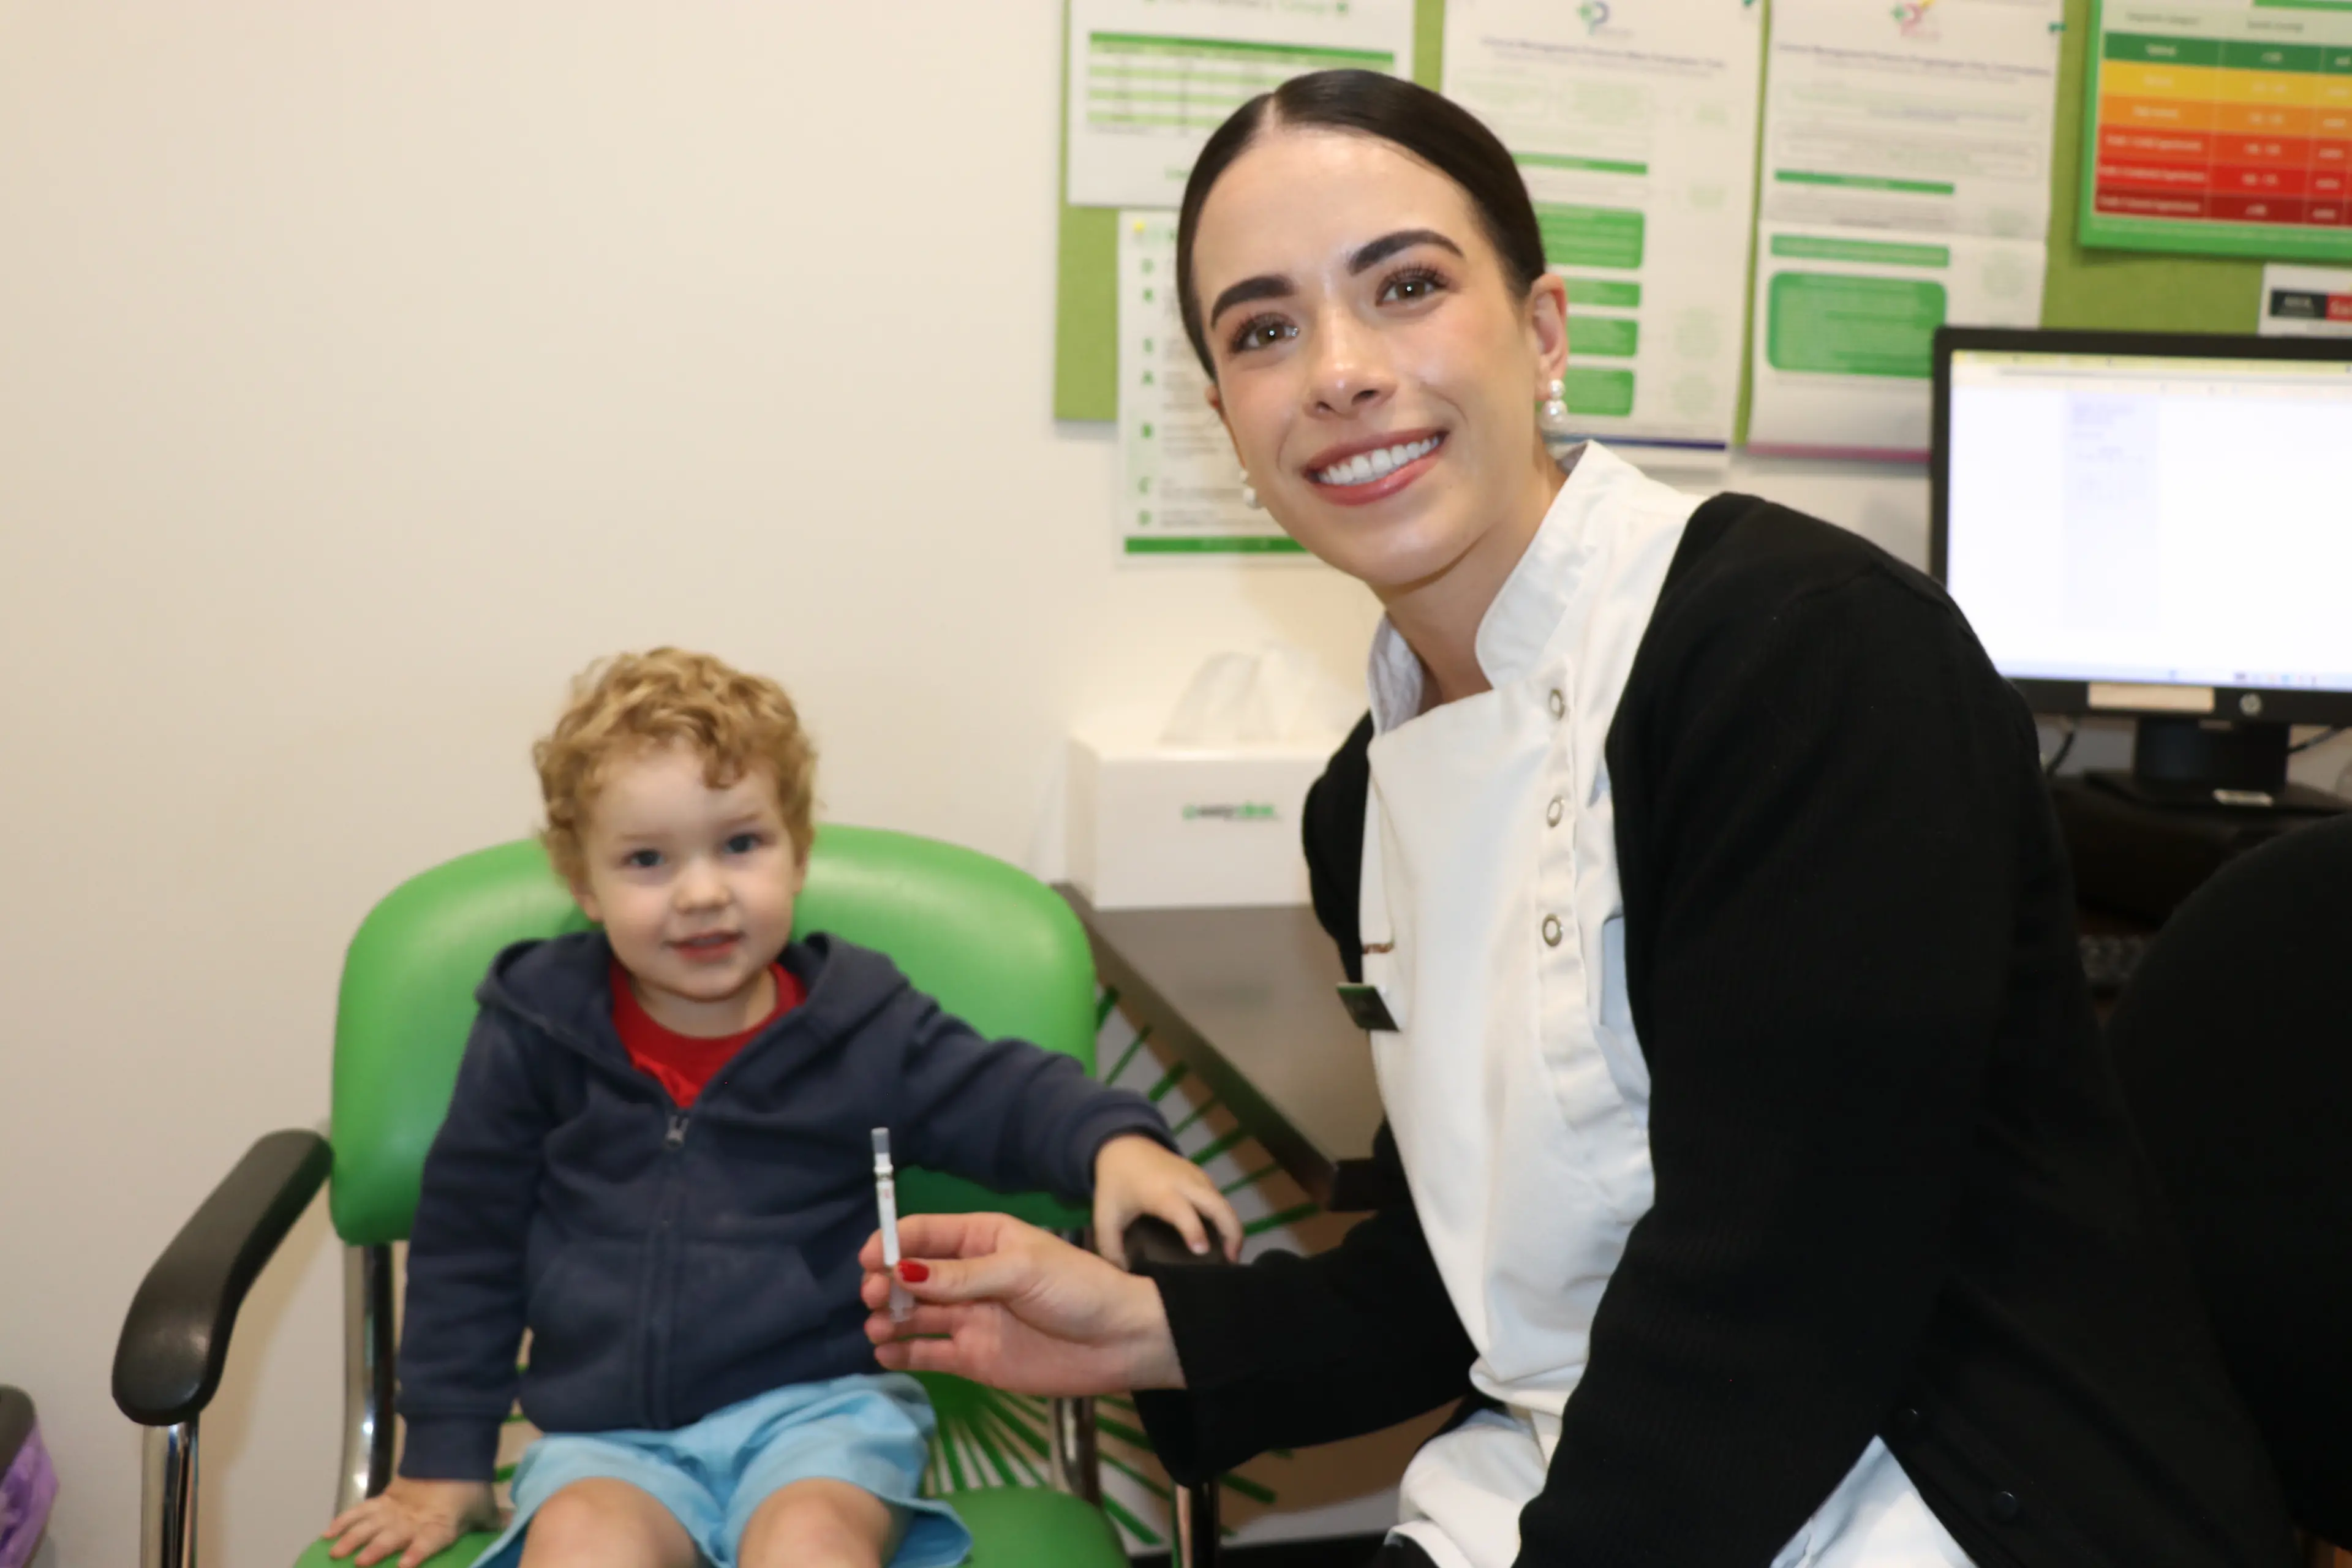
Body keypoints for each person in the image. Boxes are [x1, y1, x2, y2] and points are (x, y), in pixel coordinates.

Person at [858, 70, 2301, 1568]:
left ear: (1542, 331)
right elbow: (1474, 1279)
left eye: (1406, 285)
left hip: (1943, 1494)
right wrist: (1147, 1329)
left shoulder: (1806, 658)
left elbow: (1785, 1295)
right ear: (1228, 416)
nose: (1340, 370)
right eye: (1265, 329)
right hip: (1595, 1474)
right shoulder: (1368, 798)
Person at [323, 648, 1241, 1568]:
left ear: (798, 851)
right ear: (581, 882)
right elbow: (467, 1246)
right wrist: (442, 1460)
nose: (702, 892)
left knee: (809, 1547)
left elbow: (1009, 1097)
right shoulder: (535, 1032)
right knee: (580, 1551)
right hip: (605, 1440)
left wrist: (1118, 1144)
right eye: (647, 859)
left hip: (824, 1416)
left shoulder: (863, 1025)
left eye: (741, 844)